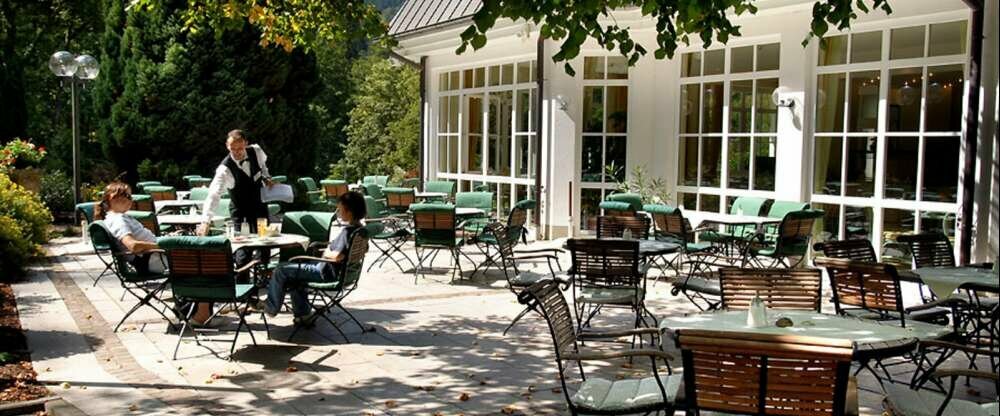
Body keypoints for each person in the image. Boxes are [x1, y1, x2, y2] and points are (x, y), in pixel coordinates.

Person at [96, 183, 214, 326]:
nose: (130, 199)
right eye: (126, 195)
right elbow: (133, 245)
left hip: (154, 257)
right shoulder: (118, 220)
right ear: (111, 198)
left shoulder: (120, 217)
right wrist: (165, 245)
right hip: (152, 260)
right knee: (207, 263)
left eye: (130, 195)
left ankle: (189, 308)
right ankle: (200, 314)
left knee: (203, 256)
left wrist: (168, 238)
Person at [265, 191, 367, 324]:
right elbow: (362, 250)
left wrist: (326, 252)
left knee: (281, 269)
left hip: (324, 272)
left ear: (349, 211)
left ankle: (271, 307)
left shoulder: (347, 232)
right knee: (295, 279)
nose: (338, 211)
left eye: (340, 208)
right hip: (346, 273)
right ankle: (303, 314)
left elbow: (337, 256)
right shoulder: (359, 230)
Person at [196, 129, 273, 237]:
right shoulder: (224, 169)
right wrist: (205, 222)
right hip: (240, 211)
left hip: (260, 206)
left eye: (240, 148)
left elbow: (263, 166)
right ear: (227, 146)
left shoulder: (256, 150)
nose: (237, 152)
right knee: (242, 248)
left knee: (265, 242)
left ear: (246, 144)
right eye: (233, 149)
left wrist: (266, 177)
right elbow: (213, 195)